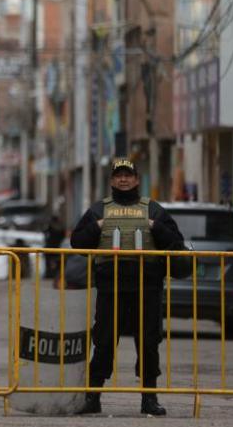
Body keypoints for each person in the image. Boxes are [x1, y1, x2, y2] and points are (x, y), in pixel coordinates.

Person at [70, 158, 185, 416]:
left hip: (147, 289)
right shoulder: (99, 210)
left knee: (148, 344)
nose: (123, 179)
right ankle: (93, 397)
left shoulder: (153, 210)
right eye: (118, 175)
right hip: (111, 289)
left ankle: (149, 400)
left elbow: (176, 243)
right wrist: (97, 226)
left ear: (136, 180)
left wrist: (156, 228)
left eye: (128, 175)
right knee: (104, 343)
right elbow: (76, 241)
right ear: (112, 180)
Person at [43, 214, 67, 279]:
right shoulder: (61, 227)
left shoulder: (50, 226)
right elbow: (63, 236)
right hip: (58, 246)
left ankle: (49, 273)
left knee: (48, 261)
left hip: (49, 246)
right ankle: (57, 274)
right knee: (58, 262)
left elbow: (45, 233)